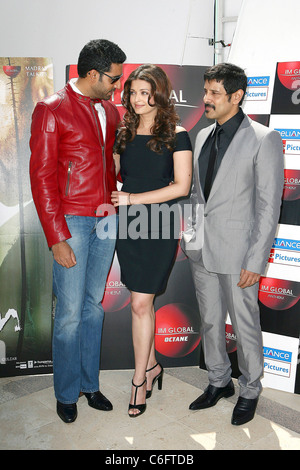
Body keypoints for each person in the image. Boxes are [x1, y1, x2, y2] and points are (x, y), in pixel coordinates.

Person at [29, 39, 126, 423]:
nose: (117, 86)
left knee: (92, 308)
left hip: (106, 218)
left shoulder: (109, 110)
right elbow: (41, 178)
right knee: (69, 313)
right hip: (71, 221)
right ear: (92, 74)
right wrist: (56, 237)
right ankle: (66, 392)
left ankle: (89, 385)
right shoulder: (51, 110)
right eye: (114, 79)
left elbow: (112, 162)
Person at [181, 63, 284, 426]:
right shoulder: (203, 135)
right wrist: (190, 236)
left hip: (240, 253)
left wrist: (256, 260)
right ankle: (218, 381)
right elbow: (198, 196)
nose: (205, 98)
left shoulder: (264, 138)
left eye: (213, 93)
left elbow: (269, 206)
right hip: (201, 250)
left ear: (236, 96)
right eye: (205, 91)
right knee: (210, 322)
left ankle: (251, 388)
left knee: (244, 324)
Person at [111, 64, 192, 417]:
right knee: (140, 302)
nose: (138, 99)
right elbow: (113, 173)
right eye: (132, 92)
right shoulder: (123, 132)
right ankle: (154, 365)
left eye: (145, 92)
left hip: (158, 224)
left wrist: (131, 199)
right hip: (128, 225)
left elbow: (181, 187)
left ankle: (138, 380)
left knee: (141, 304)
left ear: (159, 94)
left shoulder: (178, 134)